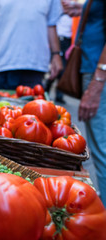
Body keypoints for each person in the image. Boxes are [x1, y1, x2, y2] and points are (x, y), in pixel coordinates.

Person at [63, 0, 106, 205]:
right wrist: (83, 9)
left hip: (100, 72)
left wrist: (98, 81)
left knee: (102, 149)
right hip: (96, 69)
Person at [0, 0, 63, 89]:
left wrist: (56, 54)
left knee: (33, 104)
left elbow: (51, 25)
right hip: (0, 65)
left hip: (35, 66)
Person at [44, 14, 73, 104]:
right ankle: (46, 90)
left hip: (67, 42)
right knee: (55, 69)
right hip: (57, 42)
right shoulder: (57, 13)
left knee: (63, 71)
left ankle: (59, 95)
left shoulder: (74, 16)